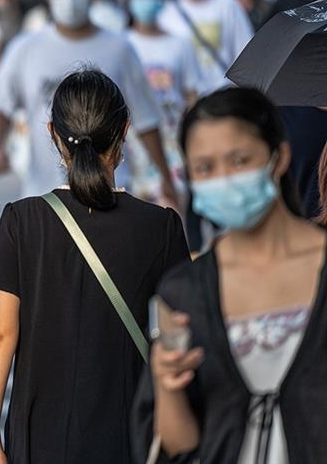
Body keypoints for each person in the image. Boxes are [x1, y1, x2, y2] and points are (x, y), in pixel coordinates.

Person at [0, 69, 190, 464]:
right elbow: (179, 334)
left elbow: (0, 334)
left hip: (37, 435)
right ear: (124, 130)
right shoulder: (161, 227)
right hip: (130, 435)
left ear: (53, 134)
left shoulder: (22, 220)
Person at [132, 87, 327, 464]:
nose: (223, 179)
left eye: (239, 160)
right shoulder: (184, 291)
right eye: (205, 168)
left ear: (279, 156)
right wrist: (167, 385)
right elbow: (178, 446)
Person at [0, 0, 179, 208]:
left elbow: (146, 118)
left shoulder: (119, 48)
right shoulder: (26, 47)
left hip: (109, 190)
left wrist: (165, 175)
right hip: (44, 192)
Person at [126, 0, 202, 205]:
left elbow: (191, 95)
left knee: (172, 209)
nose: (147, 0)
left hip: (172, 142)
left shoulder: (180, 44)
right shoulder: (121, 43)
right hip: (131, 143)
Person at [157, 0, 253, 92]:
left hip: (225, 97)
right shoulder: (166, 10)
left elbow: (246, 52)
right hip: (188, 98)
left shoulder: (226, 3)